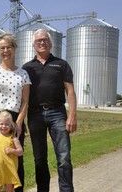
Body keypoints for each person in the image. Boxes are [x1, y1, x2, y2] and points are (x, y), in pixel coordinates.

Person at [22, 29, 77, 192]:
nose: (42, 42)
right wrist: (21, 120)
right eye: (38, 40)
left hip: (57, 113)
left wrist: (72, 115)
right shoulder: (27, 68)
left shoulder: (61, 64)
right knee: (39, 159)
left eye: (45, 39)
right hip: (35, 115)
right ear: (34, 45)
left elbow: (70, 91)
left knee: (64, 157)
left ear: (51, 43)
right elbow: (23, 97)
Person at [0, 33, 31, 192]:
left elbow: (25, 101)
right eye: (2, 48)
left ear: (14, 49)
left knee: (16, 158)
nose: (5, 51)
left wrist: (19, 122)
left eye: (8, 47)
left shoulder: (23, 74)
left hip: (15, 118)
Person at [0, 111, 24, 192]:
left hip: (9, 168)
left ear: (11, 125)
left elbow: (20, 152)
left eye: (7, 124)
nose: (4, 126)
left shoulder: (13, 139)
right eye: (1, 124)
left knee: (9, 188)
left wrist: (13, 150)